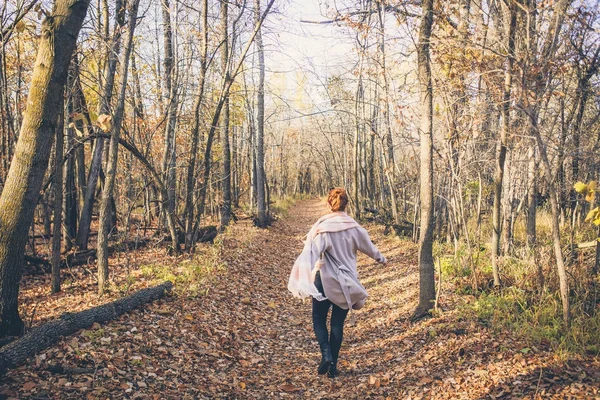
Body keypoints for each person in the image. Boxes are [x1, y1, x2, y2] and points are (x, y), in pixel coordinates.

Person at [288, 187, 387, 378]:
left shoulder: (322, 228)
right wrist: (381, 259)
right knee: (337, 323)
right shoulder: (355, 228)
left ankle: (325, 353)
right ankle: (333, 366)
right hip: (346, 283)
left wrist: (303, 272)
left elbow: (312, 253)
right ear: (346, 205)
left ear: (328, 204)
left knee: (318, 318)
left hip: (323, 280)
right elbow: (370, 248)